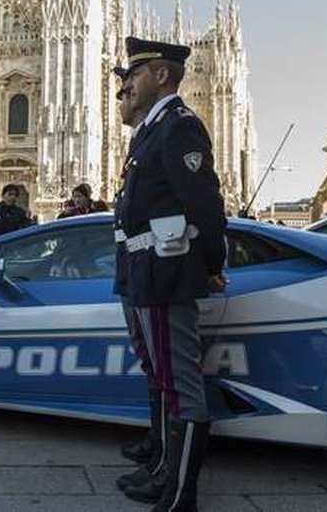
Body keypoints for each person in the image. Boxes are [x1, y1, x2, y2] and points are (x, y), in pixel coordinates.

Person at [112, 36, 226, 510]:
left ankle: (181, 495)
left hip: (166, 270)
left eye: (134, 75)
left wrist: (211, 265)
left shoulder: (179, 127)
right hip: (146, 268)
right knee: (163, 375)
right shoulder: (151, 132)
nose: (127, 85)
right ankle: (164, 474)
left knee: (181, 383)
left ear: (161, 75)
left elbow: (205, 205)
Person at [110, 76, 167, 488]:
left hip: (158, 273)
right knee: (152, 365)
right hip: (135, 272)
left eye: (128, 92)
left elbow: (198, 205)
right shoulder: (141, 140)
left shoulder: (174, 130)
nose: (121, 100)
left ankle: (174, 481)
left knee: (171, 376)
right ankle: (157, 449)